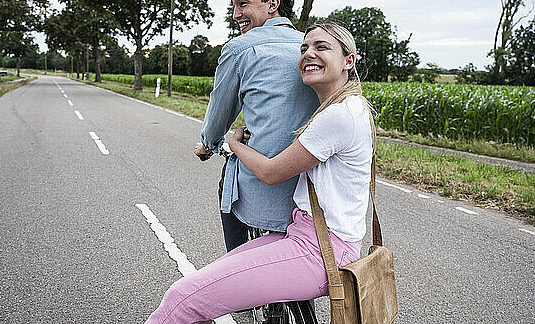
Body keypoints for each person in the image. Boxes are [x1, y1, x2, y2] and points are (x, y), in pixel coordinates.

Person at [145, 22, 375, 324]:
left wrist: (232, 142)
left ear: (349, 61)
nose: (309, 54)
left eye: (321, 47)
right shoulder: (353, 107)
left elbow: (270, 172)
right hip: (313, 237)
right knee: (202, 284)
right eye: (304, 48)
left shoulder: (338, 116)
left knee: (182, 299)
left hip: (320, 250)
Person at [194, 0, 318, 252]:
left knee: (238, 258)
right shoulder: (311, 48)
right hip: (307, 188)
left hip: (261, 184)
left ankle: (239, 275)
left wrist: (208, 144)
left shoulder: (239, 49)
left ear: (272, 4)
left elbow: (220, 111)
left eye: (242, 3)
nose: (236, 14)